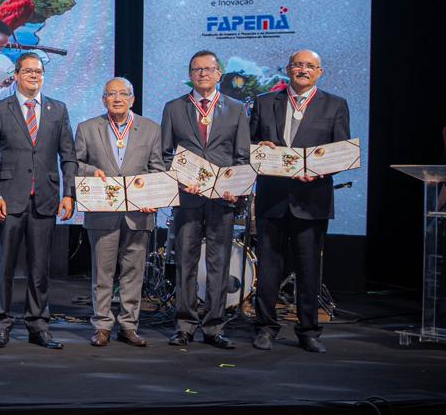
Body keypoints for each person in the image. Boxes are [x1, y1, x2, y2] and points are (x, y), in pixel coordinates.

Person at [249, 49, 349, 353]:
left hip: (312, 199)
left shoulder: (335, 104)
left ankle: (308, 331)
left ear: (319, 72)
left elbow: (341, 152)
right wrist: (260, 147)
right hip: (272, 198)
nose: (303, 70)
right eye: (297, 65)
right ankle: (265, 328)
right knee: (268, 269)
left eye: (309, 66)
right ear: (288, 69)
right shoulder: (265, 102)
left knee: (308, 269)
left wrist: (319, 171)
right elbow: (247, 146)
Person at [0, 52, 76, 350]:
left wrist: (69, 193)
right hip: (9, 199)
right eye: (28, 71)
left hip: (45, 199)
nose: (34, 76)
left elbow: (68, 156)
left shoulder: (57, 109)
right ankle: (1, 324)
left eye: (39, 71)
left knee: (39, 267)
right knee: (4, 266)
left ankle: (38, 325)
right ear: (16, 75)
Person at [159, 51, 249, 350]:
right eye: (196, 69)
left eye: (208, 69)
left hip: (223, 200)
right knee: (185, 262)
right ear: (190, 75)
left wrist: (236, 187)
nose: (202, 74)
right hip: (188, 197)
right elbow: (165, 154)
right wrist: (181, 180)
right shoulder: (174, 108)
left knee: (218, 264)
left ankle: (214, 327)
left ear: (219, 74)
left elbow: (242, 156)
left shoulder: (236, 108)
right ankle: (184, 326)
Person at [74, 77, 164, 347]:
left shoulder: (151, 128)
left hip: (139, 213)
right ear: (103, 99)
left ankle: (128, 325)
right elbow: (75, 163)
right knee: (102, 273)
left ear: (132, 99)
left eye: (123, 94)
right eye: (111, 94)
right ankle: (102, 325)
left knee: (133, 273)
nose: (117, 99)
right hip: (102, 211)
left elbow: (157, 169)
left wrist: (152, 197)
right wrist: (92, 171)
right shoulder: (87, 128)